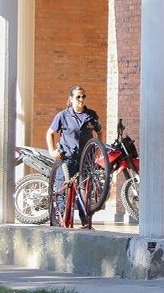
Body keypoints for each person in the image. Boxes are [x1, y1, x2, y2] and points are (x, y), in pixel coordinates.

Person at [46, 85, 103, 227]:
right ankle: (60, 221)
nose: (81, 99)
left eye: (83, 96)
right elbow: (50, 133)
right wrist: (52, 151)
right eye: (78, 97)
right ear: (71, 99)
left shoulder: (91, 115)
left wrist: (98, 148)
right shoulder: (63, 115)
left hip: (86, 160)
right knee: (63, 189)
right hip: (67, 158)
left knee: (85, 191)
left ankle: (85, 221)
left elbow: (100, 132)